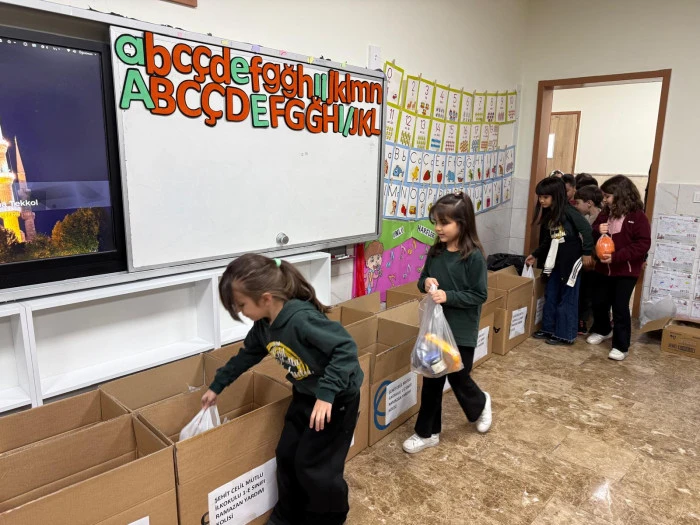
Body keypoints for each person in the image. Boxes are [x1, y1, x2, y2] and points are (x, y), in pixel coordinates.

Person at [202, 254, 363, 525]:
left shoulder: (301, 319)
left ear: (265, 298)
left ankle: (330, 518)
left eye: (241, 305)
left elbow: (345, 349)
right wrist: (217, 386)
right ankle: (286, 516)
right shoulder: (264, 326)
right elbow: (246, 355)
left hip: (335, 400)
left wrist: (326, 395)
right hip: (305, 395)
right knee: (287, 455)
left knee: (315, 468)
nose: (241, 313)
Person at [402, 192, 491, 454]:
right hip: (435, 329)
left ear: (462, 223)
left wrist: (448, 296)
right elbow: (422, 280)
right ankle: (427, 433)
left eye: (445, 223)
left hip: (461, 330)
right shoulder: (436, 251)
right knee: (432, 380)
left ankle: (480, 403)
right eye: (436, 222)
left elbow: (479, 295)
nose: (438, 228)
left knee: (459, 377)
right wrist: (427, 283)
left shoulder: (473, 256)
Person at [587, 175, 651, 361]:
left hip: (626, 271)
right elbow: (594, 231)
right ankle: (603, 330)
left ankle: (621, 346)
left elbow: (643, 244)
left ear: (621, 194)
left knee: (620, 307)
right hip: (603, 269)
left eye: (608, 196)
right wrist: (597, 229)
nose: (605, 200)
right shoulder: (605, 213)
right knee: (599, 301)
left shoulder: (638, 217)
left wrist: (616, 258)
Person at [526, 177, 593, 345]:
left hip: (571, 261)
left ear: (556, 195)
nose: (541, 200)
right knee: (551, 293)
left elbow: (586, 230)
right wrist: (535, 254)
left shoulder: (569, 211)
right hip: (556, 261)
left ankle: (565, 335)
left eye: (545, 197)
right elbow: (550, 239)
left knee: (567, 298)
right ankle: (548, 328)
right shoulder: (551, 213)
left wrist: (587, 253)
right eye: (540, 197)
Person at [573, 185, 603, 334]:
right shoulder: (582, 217)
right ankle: (581, 319)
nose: (576, 206)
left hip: (597, 261)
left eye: (578, 203)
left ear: (589, 203)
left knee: (593, 293)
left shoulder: (602, 218)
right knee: (584, 290)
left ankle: (589, 320)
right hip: (583, 260)